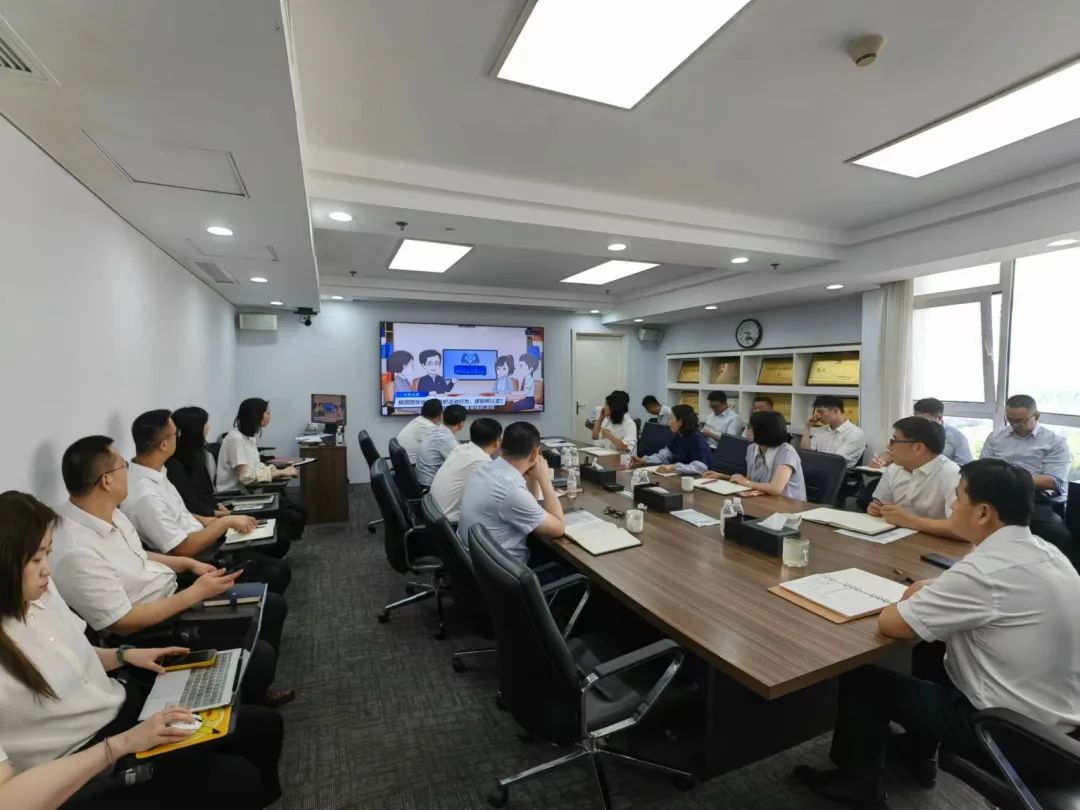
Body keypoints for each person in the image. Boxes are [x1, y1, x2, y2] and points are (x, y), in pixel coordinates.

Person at [795, 459, 1080, 807]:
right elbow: (987, 592)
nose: (952, 506)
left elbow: (892, 624)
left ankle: (858, 785)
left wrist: (916, 595)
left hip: (1010, 736)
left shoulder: (984, 572)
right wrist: (937, 587)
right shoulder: (1046, 552)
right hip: (1062, 728)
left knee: (865, 680)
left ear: (983, 513)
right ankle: (918, 754)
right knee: (930, 651)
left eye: (958, 497)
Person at [0, 491, 284, 810]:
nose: (47, 570)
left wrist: (123, 656)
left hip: (122, 710)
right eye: (36, 559)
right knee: (236, 779)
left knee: (262, 728)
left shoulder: (40, 592)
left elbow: (74, 652)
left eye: (48, 554)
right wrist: (119, 746)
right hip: (80, 765)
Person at [50, 436, 293, 707]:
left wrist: (188, 565)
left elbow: (140, 556)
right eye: (123, 466)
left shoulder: (107, 512)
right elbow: (122, 622)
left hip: (175, 592)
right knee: (262, 652)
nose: (129, 471)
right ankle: (244, 703)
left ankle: (252, 693)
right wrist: (194, 593)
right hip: (155, 628)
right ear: (107, 481)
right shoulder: (76, 550)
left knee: (270, 606)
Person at [123, 410, 291, 567]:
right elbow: (183, 549)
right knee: (277, 569)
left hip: (203, 533)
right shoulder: (146, 495)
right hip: (199, 557)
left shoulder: (157, 472)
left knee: (277, 539)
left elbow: (177, 512)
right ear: (164, 444)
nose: (179, 437)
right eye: (176, 434)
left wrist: (204, 520)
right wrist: (225, 522)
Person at [163, 407, 292, 591]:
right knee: (283, 533)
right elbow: (191, 504)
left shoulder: (198, 455)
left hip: (217, 515)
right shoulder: (174, 466)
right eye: (205, 423)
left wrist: (218, 510)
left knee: (284, 528)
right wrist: (221, 516)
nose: (208, 427)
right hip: (211, 526)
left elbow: (206, 495)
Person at [980, 394, 1075, 562]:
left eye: (1020, 421)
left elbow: (1053, 482)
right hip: (995, 492)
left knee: (1059, 536)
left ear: (1036, 417)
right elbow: (981, 468)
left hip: (1030, 496)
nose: (1014, 425)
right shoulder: (996, 437)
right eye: (1010, 420)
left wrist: (1011, 478)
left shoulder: (1055, 442)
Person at [456, 421, 564, 565]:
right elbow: (558, 527)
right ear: (535, 453)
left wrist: (533, 477)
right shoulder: (511, 490)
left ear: (501, 445)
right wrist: (544, 478)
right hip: (505, 572)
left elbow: (528, 507)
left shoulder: (484, 468)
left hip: (476, 564)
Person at [215, 399, 306, 542]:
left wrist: (278, 469)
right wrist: (281, 472)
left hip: (250, 492)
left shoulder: (248, 437)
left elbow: (256, 466)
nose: (270, 416)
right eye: (267, 413)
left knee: (300, 509)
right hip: (236, 498)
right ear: (256, 415)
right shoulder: (236, 439)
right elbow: (246, 476)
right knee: (293, 516)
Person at [866, 417, 961, 539]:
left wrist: (910, 521)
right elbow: (881, 504)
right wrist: (876, 509)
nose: (889, 447)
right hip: (896, 539)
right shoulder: (894, 468)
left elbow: (961, 528)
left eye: (894, 441)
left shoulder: (951, 474)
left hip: (937, 544)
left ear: (918, 448)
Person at [704, 411, 805, 500]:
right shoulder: (752, 448)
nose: (746, 430)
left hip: (790, 506)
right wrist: (722, 476)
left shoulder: (787, 452)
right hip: (765, 500)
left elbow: (775, 489)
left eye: (749, 427)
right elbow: (750, 480)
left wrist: (745, 482)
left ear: (764, 431)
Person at [430, 418, 502, 523]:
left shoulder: (461, 449)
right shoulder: (482, 462)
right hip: (449, 522)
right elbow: (498, 497)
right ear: (497, 442)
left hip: (434, 511)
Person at [869, 398, 973, 468]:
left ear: (939, 418)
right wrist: (880, 461)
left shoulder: (957, 437)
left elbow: (965, 467)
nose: (917, 422)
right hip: (908, 476)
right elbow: (892, 452)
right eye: (915, 417)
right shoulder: (910, 431)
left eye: (923, 419)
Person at [631, 404, 711, 475]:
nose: (668, 422)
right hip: (681, 477)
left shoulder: (696, 439)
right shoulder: (678, 436)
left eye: (671, 418)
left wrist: (674, 467)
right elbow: (664, 456)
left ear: (680, 421)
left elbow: (700, 467)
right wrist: (644, 460)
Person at [800, 395, 866, 468]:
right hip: (817, 469)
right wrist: (807, 427)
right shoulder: (821, 430)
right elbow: (805, 454)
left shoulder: (855, 433)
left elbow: (835, 461)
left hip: (840, 473)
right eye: (817, 412)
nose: (818, 416)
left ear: (835, 411)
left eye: (821, 412)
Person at [416, 404, 467, 486]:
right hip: (430, 485)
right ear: (461, 424)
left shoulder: (438, 430)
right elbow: (463, 463)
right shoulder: (446, 438)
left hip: (424, 478)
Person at [395, 398, 443, 463]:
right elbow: (441, 451)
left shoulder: (418, 420)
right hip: (414, 466)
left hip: (403, 465)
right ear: (439, 415)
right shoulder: (430, 427)